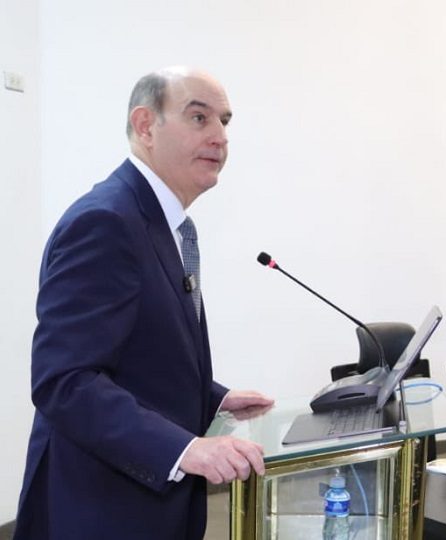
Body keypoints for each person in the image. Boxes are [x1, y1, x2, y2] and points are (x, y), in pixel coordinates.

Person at [14, 67, 275, 539]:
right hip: (99, 509)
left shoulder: (163, 222)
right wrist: (185, 450)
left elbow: (139, 355)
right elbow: (65, 381)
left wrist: (213, 397)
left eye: (224, 121)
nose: (219, 137)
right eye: (199, 117)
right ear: (145, 125)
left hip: (148, 505)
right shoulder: (105, 222)